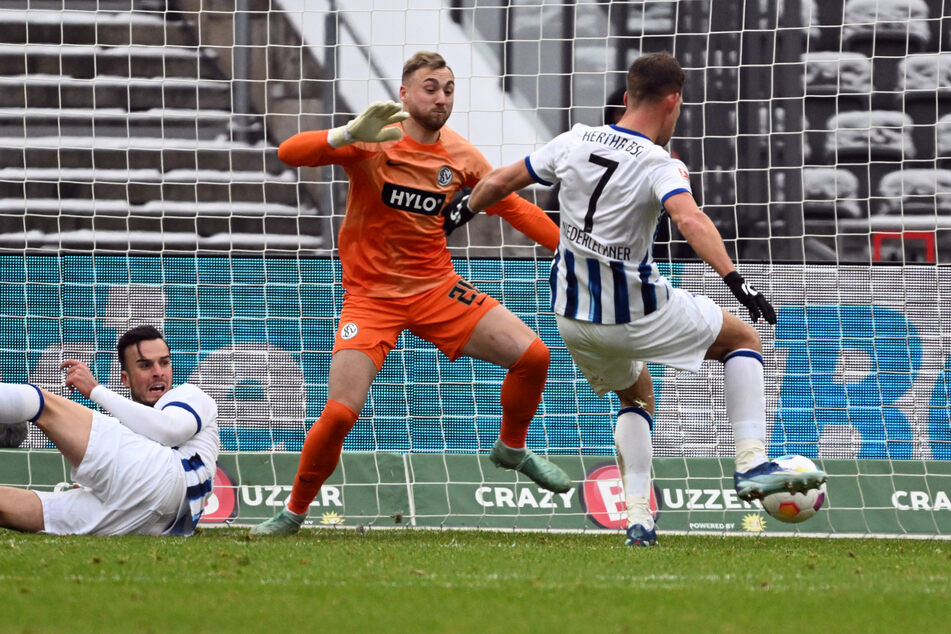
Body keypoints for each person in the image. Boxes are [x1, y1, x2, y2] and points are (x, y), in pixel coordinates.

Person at [467, 52, 827, 547]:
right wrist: (737, 280)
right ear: (673, 100)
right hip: (637, 311)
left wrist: (458, 213)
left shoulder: (573, 140)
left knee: (636, 393)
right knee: (741, 337)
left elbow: (499, 182)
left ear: (628, 96)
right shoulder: (657, 162)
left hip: (572, 317)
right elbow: (690, 219)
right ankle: (751, 463)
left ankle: (638, 519)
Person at [251, 51, 571, 536]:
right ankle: (292, 512)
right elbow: (289, 152)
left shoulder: (460, 156)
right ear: (403, 93)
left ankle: (511, 447)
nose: (440, 97)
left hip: (436, 288)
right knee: (339, 413)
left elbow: (512, 207)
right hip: (371, 297)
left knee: (534, 355)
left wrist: (572, 251)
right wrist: (344, 135)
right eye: (429, 87)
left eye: (447, 88)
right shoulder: (372, 141)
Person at [0, 325, 218, 536]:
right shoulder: (130, 432)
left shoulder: (190, 395)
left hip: (168, 481)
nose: (158, 373)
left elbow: (171, 430)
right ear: (125, 378)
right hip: (148, 522)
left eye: (165, 363)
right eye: (145, 365)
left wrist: (95, 390)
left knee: (40, 402)